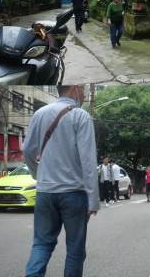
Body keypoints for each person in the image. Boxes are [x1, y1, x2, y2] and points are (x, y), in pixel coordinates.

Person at [22, 85, 98, 277]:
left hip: (45, 193)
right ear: (75, 88)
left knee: (41, 243)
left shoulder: (40, 113)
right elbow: (88, 161)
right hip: (74, 192)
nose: (85, 94)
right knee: (75, 249)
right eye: (84, 89)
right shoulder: (81, 116)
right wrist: (93, 199)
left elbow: (28, 150)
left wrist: (38, 175)